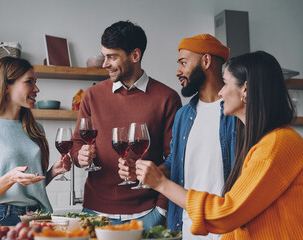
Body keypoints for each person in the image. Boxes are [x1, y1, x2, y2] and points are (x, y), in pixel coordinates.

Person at [136, 50, 303, 239]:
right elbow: (243, 221)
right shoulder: (264, 141)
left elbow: (228, 213)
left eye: (225, 83)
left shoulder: (276, 145)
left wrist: (161, 184)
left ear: (245, 89)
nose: (221, 92)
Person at [120, 33, 235, 238]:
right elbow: (175, 162)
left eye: (183, 63)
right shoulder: (183, 115)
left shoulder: (237, 113)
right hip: (186, 226)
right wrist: (150, 172)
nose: (178, 71)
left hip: (226, 227)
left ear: (206, 61)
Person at [70, 20, 182, 229]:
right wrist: (80, 156)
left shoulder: (167, 98)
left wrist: (161, 209)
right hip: (95, 214)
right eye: (104, 56)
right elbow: (76, 145)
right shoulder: (92, 95)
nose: (105, 64)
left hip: (148, 215)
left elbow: (175, 159)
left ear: (135, 55)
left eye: (112, 57)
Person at [0, 57, 72, 227]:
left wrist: (52, 172)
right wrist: (10, 178)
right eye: (29, 82)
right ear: (5, 87)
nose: (36, 89)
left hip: (38, 216)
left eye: (36, 82)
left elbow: (28, 188)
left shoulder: (35, 128)